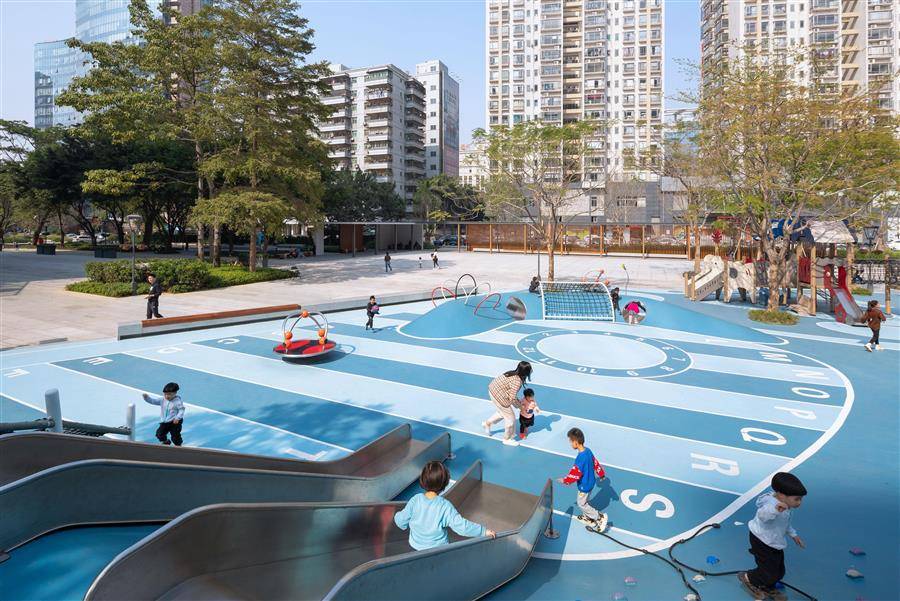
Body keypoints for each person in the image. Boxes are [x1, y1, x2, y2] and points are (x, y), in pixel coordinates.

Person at [394, 461, 495, 550]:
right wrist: (483, 531)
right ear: (444, 484)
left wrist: (395, 515)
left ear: (423, 480)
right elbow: (462, 526)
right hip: (437, 549)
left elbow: (401, 520)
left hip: (415, 546)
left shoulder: (415, 500)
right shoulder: (445, 506)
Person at [738, 472, 807, 600]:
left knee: (779, 571)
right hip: (761, 540)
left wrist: (794, 535)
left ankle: (766, 585)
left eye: (801, 499)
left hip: (774, 541)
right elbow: (763, 516)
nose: (799, 503)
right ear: (781, 495)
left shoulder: (785, 505)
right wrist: (775, 510)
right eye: (797, 499)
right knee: (768, 570)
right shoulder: (770, 504)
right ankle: (748, 577)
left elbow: (785, 523)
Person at [557, 427, 608, 531]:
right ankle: (588, 517)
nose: (570, 444)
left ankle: (599, 517)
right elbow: (595, 463)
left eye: (571, 442)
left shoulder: (580, 458)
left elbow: (575, 473)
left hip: (584, 485)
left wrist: (565, 480)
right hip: (591, 482)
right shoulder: (588, 450)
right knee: (585, 500)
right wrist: (601, 474)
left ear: (576, 442)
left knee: (581, 503)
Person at [482, 361, 532, 446]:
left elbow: (511, 394)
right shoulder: (517, 381)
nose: (531, 371)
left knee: (503, 412)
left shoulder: (512, 373)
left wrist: (519, 404)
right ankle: (507, 439)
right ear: (525, 372)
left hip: (492, 390)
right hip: (499, 395)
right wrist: (521, 407)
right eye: (530, 369)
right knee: (511, 418)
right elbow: (512, 398)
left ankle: (487, 423)